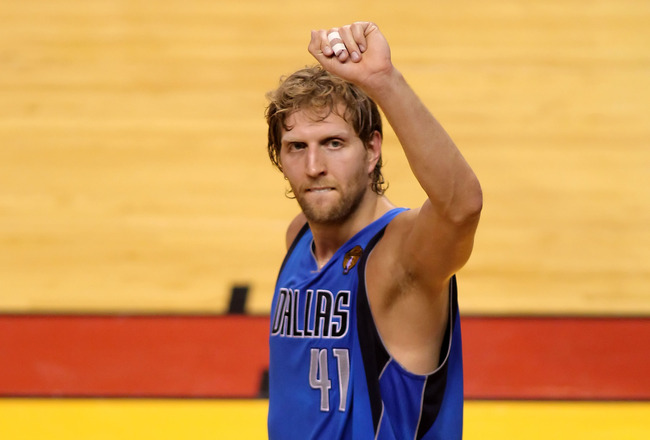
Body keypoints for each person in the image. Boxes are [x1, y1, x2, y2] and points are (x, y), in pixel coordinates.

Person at [265, 21, 482, 439]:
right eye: (297, 147)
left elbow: (461, 208)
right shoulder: (298, 240)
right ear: (279, 157)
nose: (314, 167)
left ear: (371, 150)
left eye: (333, 143)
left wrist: (383, 81)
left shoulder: (398, 255)